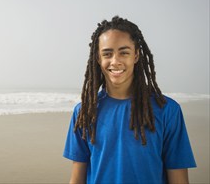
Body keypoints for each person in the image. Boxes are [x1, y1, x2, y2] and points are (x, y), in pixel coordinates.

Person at [63, 16, 196, 184]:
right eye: (107, 53)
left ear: (136, 55)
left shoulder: (168, 110)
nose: (115, 61)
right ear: (98, 58)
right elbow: (76, 178)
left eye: (124, 52)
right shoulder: (84, 112)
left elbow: (178, 178)